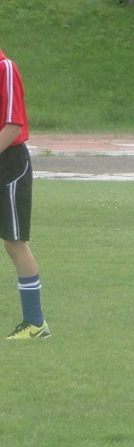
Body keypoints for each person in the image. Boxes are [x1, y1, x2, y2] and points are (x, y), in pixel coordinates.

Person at [1, 49, 49, 340]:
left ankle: (35, 322)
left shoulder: (5, 68)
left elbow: (12, 125)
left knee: (15, 242)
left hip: (10, 165)